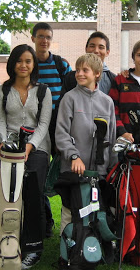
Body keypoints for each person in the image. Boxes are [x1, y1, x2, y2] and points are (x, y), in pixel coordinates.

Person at [0, 44, 52, 269]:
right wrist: (1, 141)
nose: (24, 65)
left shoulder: (43, 91)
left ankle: (33, 247)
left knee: (33, 195)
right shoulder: (2, 91)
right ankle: (9, 241)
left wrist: (30, 147)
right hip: (9, 148)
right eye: (19, 61)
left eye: (28, 61)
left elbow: (44, 124)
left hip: (37, 149)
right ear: (12, 63)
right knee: (10, 196)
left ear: (34, 64)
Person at [55, 53, 116, 231]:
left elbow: (111, 138)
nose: (80, 73)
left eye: (85, 70)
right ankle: (67, 248)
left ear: (97, 73)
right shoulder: (69, 98)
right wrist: (73, 156)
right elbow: (61, 133)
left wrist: (111, 168)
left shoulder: (107, 102)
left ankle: (93, 247)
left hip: (99, 171)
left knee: (96, 209)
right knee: (70, 210)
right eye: (78, 70)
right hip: (73, 169)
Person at [30, 22, 72, 237]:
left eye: (47, 36)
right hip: (34, 124)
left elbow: (71, 92)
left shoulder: (60, 64)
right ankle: (45, 220)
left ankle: (70, 219)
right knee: (39, 173)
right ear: (33, 39)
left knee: (63, 172)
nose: (44, 40)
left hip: (58, 122)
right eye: (40, 36)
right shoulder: (28, 63)